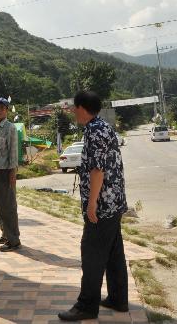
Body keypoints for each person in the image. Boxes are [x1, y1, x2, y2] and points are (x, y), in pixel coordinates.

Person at [59, 91, 128, 322]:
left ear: (81, 107)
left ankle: (86, 306)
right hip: (114, 203)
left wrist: (91, 204)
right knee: (113, 253)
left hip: (103, 206)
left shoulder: (95, 130)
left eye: (73, 107)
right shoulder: (103, 126)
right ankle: (118, 299)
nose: (71, 112)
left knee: (91, 254)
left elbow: (98, 170)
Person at [0, 97, 21, 251]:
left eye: (2, 108)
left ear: (7, 110)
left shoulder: (10, 128)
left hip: (5, 172)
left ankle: (14, 240)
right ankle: (5, 233)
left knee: (8, 207)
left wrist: (12, 173)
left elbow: (13, 153)